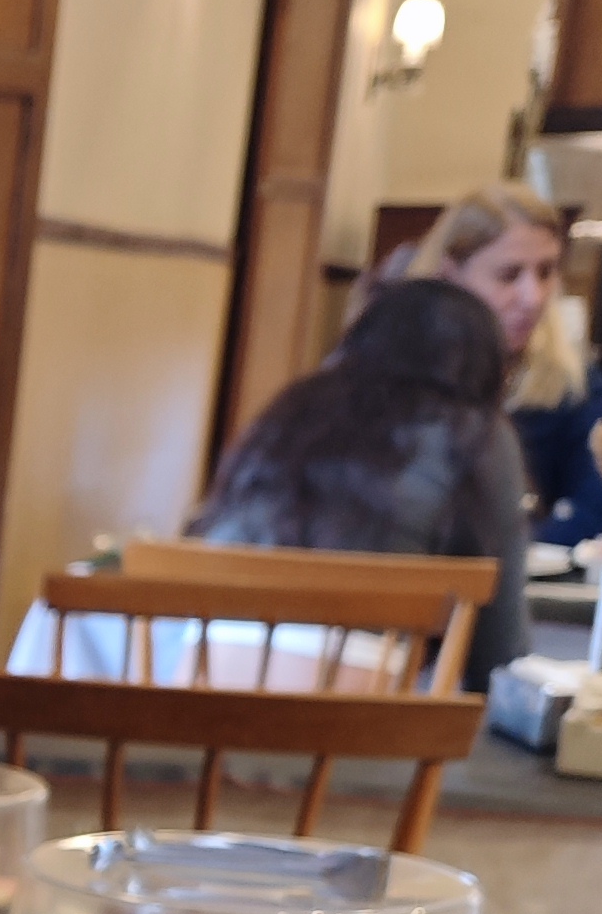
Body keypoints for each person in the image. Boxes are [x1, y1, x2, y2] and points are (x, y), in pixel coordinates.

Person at [193, 273, 527, 681]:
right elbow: (498, 651)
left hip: (198, 669)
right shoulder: (475, 433)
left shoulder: (293, 408)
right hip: (354, 697)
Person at [408, 184, 602, 544]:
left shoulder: (574, 384)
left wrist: (512, 553)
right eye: (509, 275)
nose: (532, 298)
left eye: (546, 272)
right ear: (451, 274)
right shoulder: (394, 379)